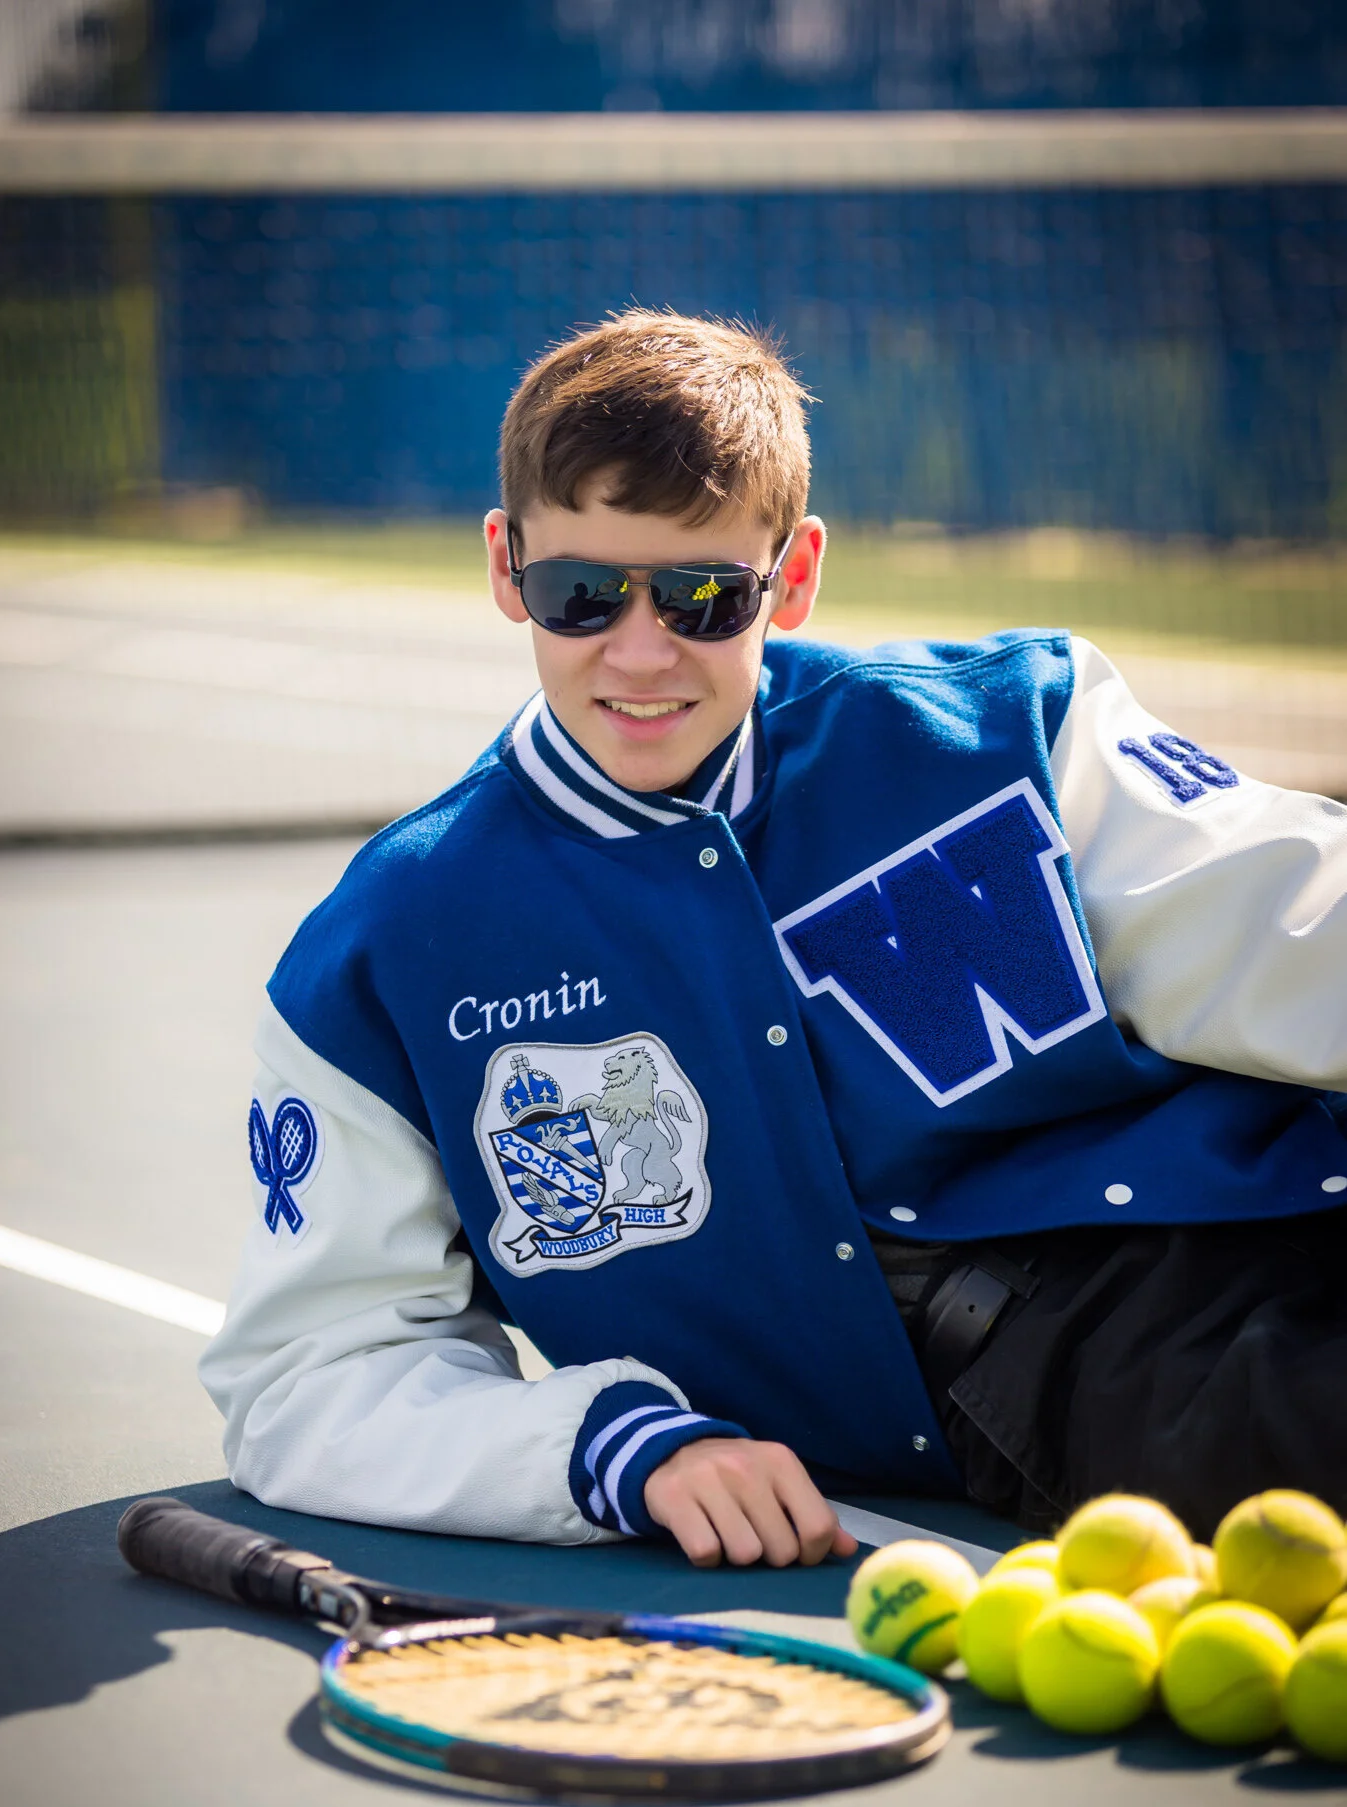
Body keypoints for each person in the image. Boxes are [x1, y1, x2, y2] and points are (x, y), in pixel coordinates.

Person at [201, 310, 1347, 1565]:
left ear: (790, 577)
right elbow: (305, 1375)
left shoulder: (999, 737)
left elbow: (1295, 923)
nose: (640, 652)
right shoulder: (392, 948)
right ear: (505, 566)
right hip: (1113, 1359)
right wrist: (616, 1445)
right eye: (581, 594)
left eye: (703, 597)